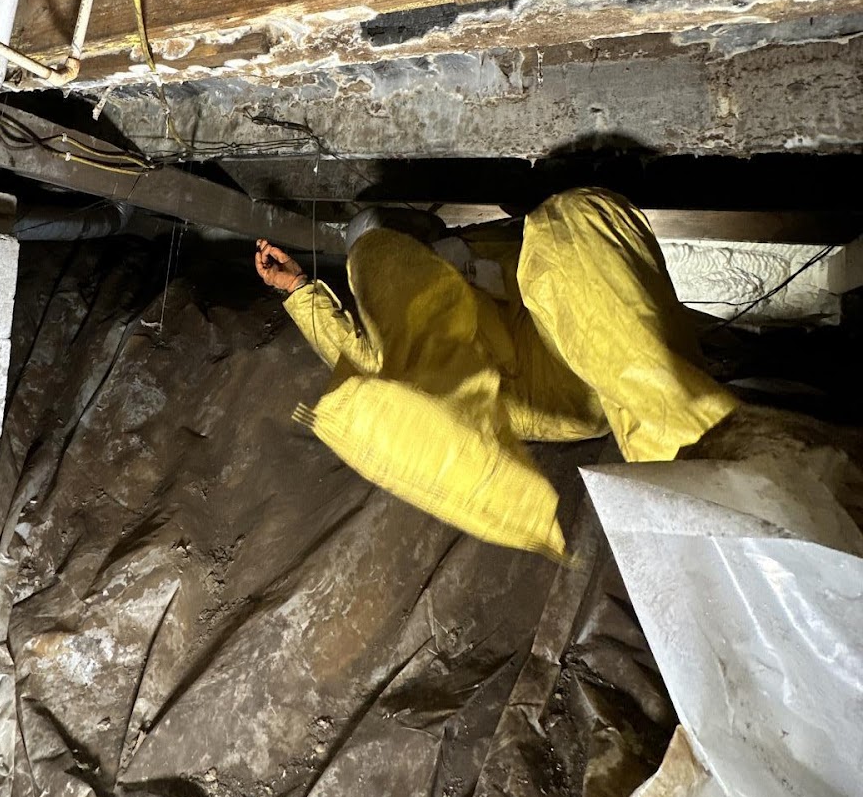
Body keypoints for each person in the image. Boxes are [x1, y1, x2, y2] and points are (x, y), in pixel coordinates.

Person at [255, 189, 737, 560]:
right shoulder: (423, 333)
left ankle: (705, 472)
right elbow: (361, 361)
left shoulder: (449, 282)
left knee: (562, 234)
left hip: (547, 336)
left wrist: (297, 288)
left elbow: (358, 357)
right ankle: (706, 468)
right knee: (570, 223)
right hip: (561, 380)